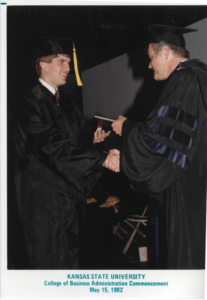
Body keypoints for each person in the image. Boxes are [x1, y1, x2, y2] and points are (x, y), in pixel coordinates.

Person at [14, 40, 120, 269]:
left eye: (69, 62)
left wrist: (94, 141)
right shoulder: (27, 103)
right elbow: (51, 146)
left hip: (70, 200)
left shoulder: (68, 103)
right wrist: (100, 159)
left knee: (72, 261)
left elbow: (77, 140)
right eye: (62, 61)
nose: (68, 67)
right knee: (48, 264)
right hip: (44, 203)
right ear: (43, 65)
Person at [112, 24, 207, 269]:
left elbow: (160, 141)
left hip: (190, 190)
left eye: (151, 57)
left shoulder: (185, 80)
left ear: (165, 52)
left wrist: (128, 129)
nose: (149, 64)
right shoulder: (200, 75)